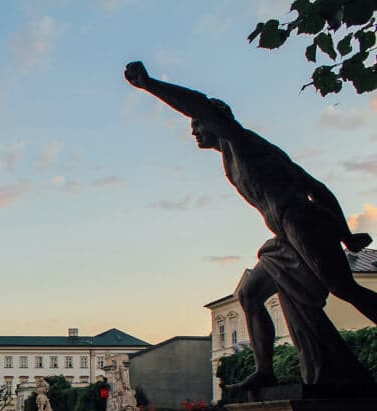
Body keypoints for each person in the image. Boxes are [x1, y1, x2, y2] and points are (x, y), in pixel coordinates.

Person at [125, 60, 377, 390]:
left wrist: (149, 84)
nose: (194, 130)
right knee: (249, 294)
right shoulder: (233, 158)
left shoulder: (242, 143)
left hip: (303, 224)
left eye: (198, 124)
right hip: (285, 235)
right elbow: (318, 186)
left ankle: (322, 371)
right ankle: (265, 371)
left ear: (218, 121)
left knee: (344, 288)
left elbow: (199, 103)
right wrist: (345, 234)